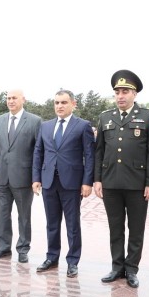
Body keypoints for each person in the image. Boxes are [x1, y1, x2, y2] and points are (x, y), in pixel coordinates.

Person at [93, 70, 149, 288]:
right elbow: (99, 151)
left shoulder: (148, 117)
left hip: (137, 184)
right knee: (115, 228)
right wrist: (97, 179)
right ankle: (116, 267)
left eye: (125, 92)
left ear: (134, 94)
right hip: (110, 182)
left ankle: (131, 269)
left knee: (136, 229)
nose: (120, 96)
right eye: (117, 92)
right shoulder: (105, 117)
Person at [32, 89, 95, 277]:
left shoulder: (82, 126)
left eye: (64, 102)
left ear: (73, 104)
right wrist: (36, 178)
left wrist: (87, 182)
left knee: (72, 224)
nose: (59, 106)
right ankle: (52, 257)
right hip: (49, 181)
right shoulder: (45, 126)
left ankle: (73, 261)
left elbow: (89, 156)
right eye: (57, 103)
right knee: (52, 223)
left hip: (72, 183)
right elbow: (38, 152)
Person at [0, 89, 42, 263]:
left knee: (24, 216)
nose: (10, 101)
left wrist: (36, 178)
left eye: (14, 98)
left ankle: (23, 249)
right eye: (8, 98)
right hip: (2, 177)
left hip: (24, 178)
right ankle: (3, 247)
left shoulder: (34, 121)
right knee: (3, 214)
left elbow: (38, 151)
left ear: (23, 100)